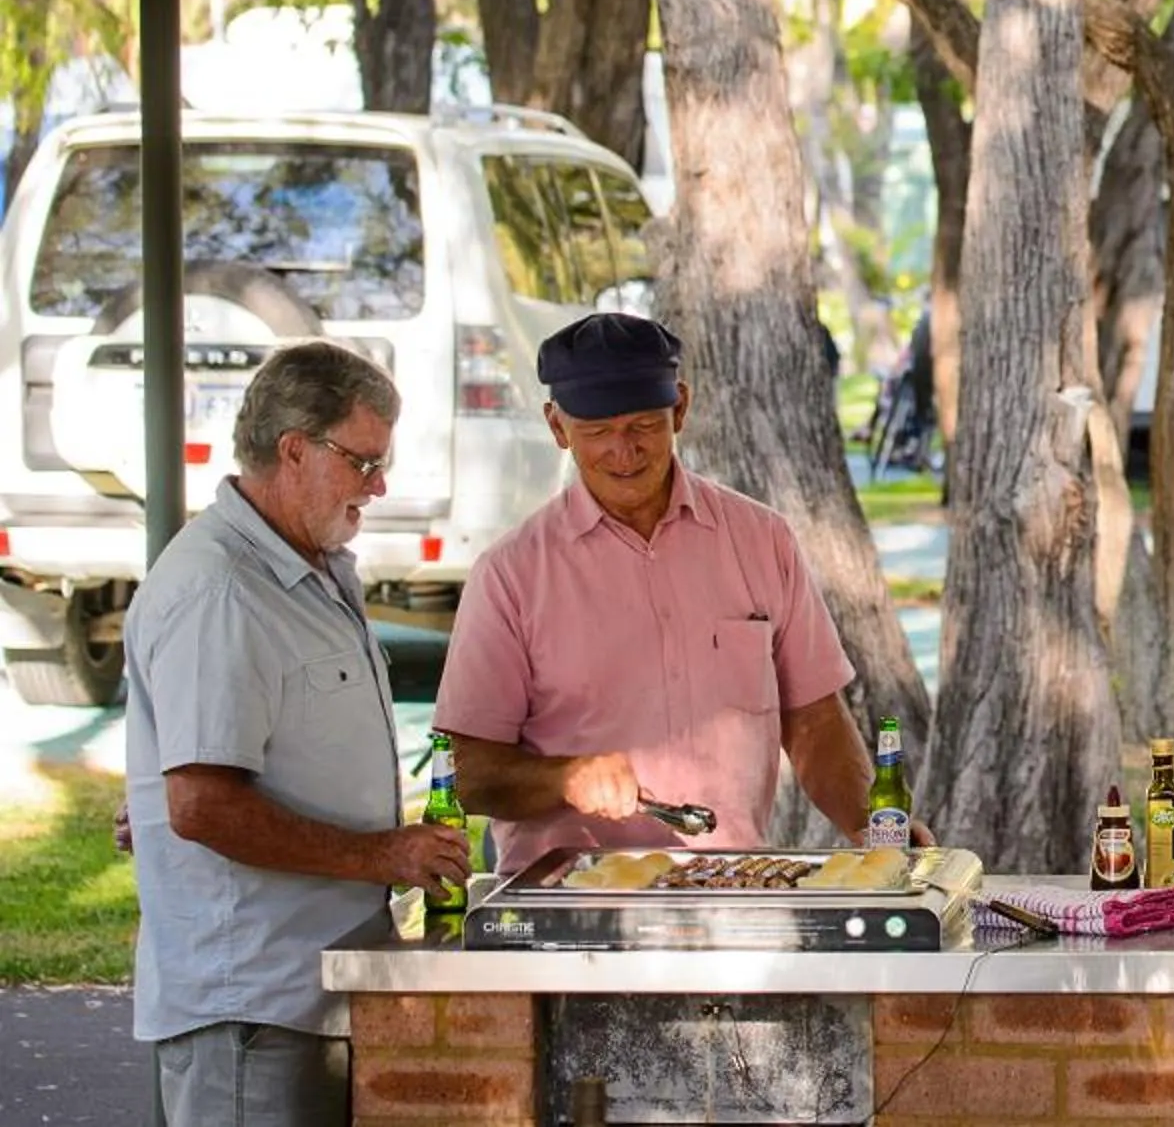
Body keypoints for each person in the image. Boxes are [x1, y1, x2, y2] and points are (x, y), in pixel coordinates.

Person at [123, 340, 473, 1127]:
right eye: (364, 463)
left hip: (310, 995)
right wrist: (382, 854)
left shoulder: (304, 564)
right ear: (293, 450)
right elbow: (203, 806)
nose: (379, 488)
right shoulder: (221, 591)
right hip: (252, 1008)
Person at [437, 312, 891, 870]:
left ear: (680, 407)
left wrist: (874, 831)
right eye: (597, 432)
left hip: (730, 886)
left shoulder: (761, 538)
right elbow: (464, 772)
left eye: (644, 426)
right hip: (572, 906)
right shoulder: (510, 574)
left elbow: (815, 720)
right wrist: (564, 779)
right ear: (557, 427)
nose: (623, 452)